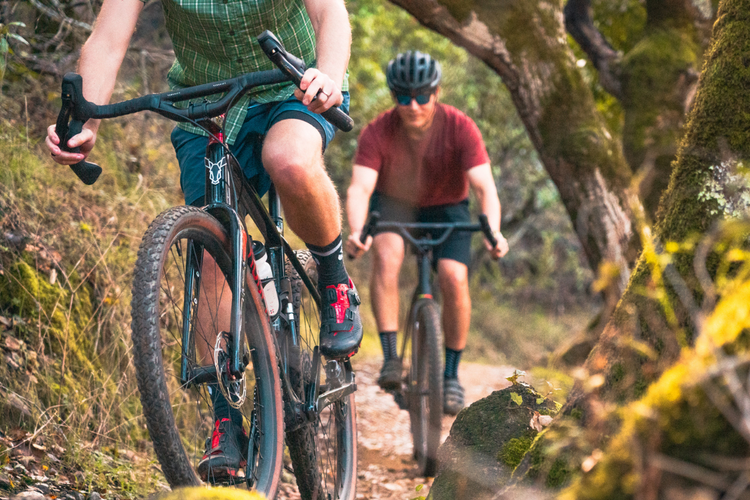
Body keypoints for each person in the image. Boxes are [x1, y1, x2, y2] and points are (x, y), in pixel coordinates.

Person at [45, 0, 362, 481]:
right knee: (215, 245)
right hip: (206, 102)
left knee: (290, 160)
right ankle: (224, 421)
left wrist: (330, 76)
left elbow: (330, 14)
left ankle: (335, 281)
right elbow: (108, 39)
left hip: (291, 85)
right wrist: (83, 125)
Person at [345, 51, 509, 416]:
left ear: (436, 93)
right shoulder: (379, 131)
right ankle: (391, 359)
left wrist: (493, 232)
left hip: (448, 207)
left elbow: (485, 188)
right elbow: (360, 188)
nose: (414, 105)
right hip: (395, 205)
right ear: (394, 96)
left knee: (453, 276)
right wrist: (358, 231)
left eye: (422, 96)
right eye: (404, 97)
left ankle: (451, 376)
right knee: (387, 256)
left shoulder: (460, 126)